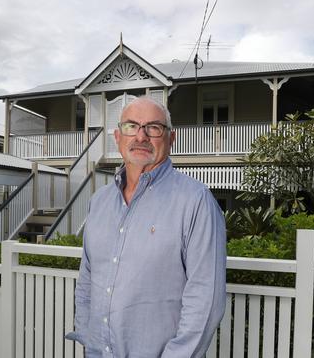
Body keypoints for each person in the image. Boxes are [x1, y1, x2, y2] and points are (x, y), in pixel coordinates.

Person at [66, 96, 226, 357]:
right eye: (131, 126)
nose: (141, 136)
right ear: (118, 137)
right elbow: (87, 281)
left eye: (153, 127)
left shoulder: (196, 202)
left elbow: (205, 301)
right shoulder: (99, 202)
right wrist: (88, 338)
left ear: (170, 139)